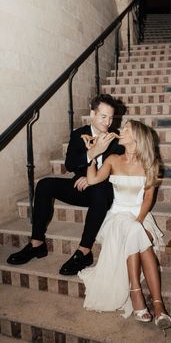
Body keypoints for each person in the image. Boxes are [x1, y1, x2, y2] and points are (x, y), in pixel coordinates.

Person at [7, 94, 125, 275]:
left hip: (103, 190)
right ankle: (37, 243)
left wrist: (93, 177)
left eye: (111, 117)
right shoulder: (78, 134)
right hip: (82, 188)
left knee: (100, 190)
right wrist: (92, 153)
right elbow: (70, 164)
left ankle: (84, 251)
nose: (108, 122)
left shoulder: (116, 138)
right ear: (92, 113)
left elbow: (119, 170)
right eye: (103, 116)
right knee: (45, 185)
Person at [78, 119, 171, 332]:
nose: (121, 131)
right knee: (134, 233)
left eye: (126, 129)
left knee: (133, 232)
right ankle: (159, 306)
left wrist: (137, 222)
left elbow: (148, 200)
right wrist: (93, 154)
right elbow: (92, 180)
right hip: (117, 216)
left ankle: (137, 294)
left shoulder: (152, 165)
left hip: (139, 215)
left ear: (137, 138)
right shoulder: (112, 159)